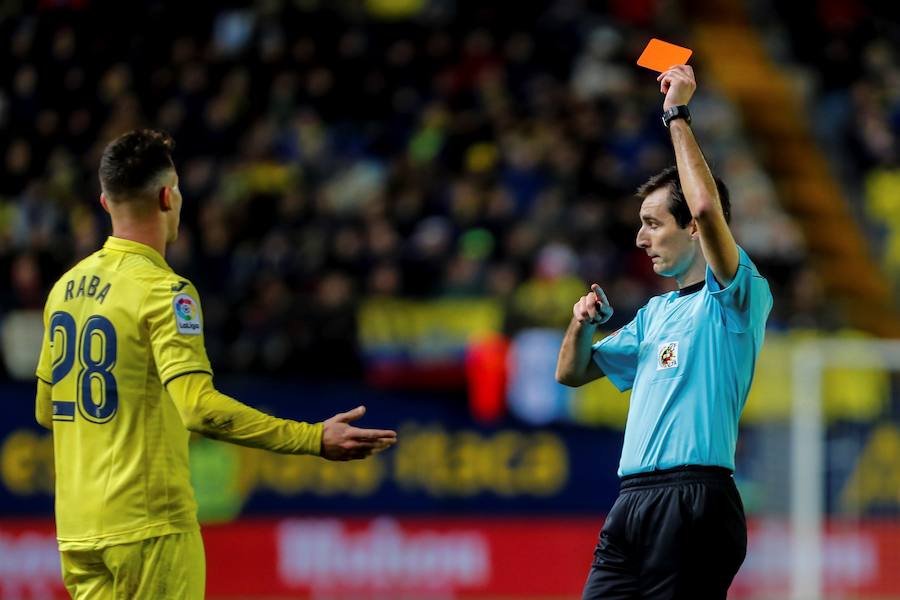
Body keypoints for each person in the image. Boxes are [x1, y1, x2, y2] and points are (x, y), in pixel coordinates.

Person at [34, 129, 398, 599]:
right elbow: (199, 409)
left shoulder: (65, 288)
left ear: (105, 202)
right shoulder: (165, 291)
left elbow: (47, 410)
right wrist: (311, 438)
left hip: (77, 532)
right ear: (168, 197)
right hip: (149, 527)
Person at [556, 65, 773, 599]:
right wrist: (580, 323)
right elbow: (571, 373)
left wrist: (676, 114)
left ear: (693, 228)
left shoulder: (736, 297)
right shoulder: (653, 315)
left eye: (653, 223)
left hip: (695, 498)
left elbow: (706, 205)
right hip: (632, 501)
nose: (640, 237)